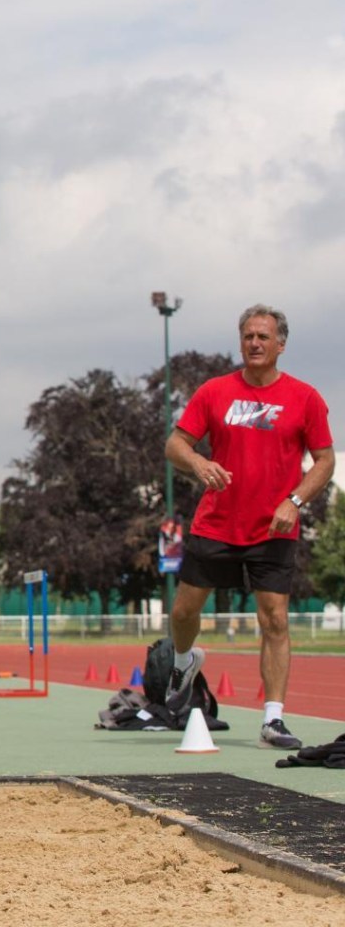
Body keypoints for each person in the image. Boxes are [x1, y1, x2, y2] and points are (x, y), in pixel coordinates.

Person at [163, 304, 334, 750]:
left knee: (274, 619)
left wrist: (295, 501)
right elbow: (175, 444)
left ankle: (273, 721)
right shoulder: (215, 391)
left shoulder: (306, 398)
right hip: (217, 523)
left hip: (274, 529)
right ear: (241, 342)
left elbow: (326, 460)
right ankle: (183, 661)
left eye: (263, 336)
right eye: (248, 336)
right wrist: (198, 461)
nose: (255, 343)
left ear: (281, 344)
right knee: (183, 612)